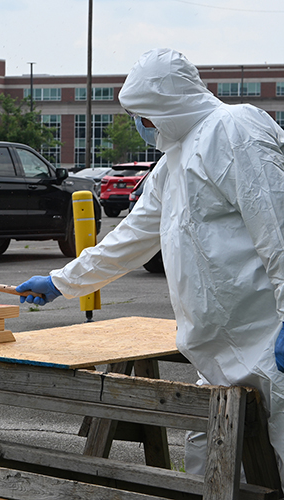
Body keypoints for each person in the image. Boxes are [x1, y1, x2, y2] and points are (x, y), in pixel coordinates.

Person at [16, 48, 284, 481]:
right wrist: (61, 280)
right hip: (217, 356)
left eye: (139, 113)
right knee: (210, 469)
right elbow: (130, 239)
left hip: (269, 345)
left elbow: (278, 227)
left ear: (162, 107)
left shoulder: (233, 129)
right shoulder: (172, 162)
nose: (138, 124)